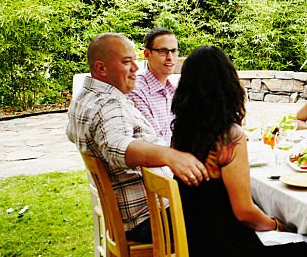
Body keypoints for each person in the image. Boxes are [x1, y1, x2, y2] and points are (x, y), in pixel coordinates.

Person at [171, 46, 307, 257]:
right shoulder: (230, 136)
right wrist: (280, 225)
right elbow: (244, 212)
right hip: (223, 250)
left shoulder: (182, 131)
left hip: (195, 243)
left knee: (284, 245)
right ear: (228, 84)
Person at [67, 32, 208, 244]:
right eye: (126, 62)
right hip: (149, 218)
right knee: (226, 209)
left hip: (142, 211)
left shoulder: (85, 98)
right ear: (101, 68)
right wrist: (170, 156)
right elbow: (117, 146)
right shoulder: (108, 104)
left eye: (134, 60)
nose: (135, 68)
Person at [128, 27, 179, 144]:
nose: (170, 57)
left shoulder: (174, 91)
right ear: (147, 53)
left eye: (174, 51)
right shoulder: (137, 91)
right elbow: (153, 142)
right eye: (163, 51)